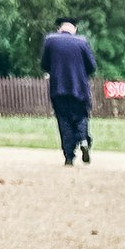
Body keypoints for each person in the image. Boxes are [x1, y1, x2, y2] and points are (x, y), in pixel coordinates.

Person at [40, 15, 96, 164]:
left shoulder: (50, 40)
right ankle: (83, 140)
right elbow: (92, 66)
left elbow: (44, 64)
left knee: (64, 120)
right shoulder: (82, 42)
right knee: (80, 117)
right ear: (74, 29)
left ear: (60, 29)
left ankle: (69, 157)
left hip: (58, 88)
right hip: (79, 89)